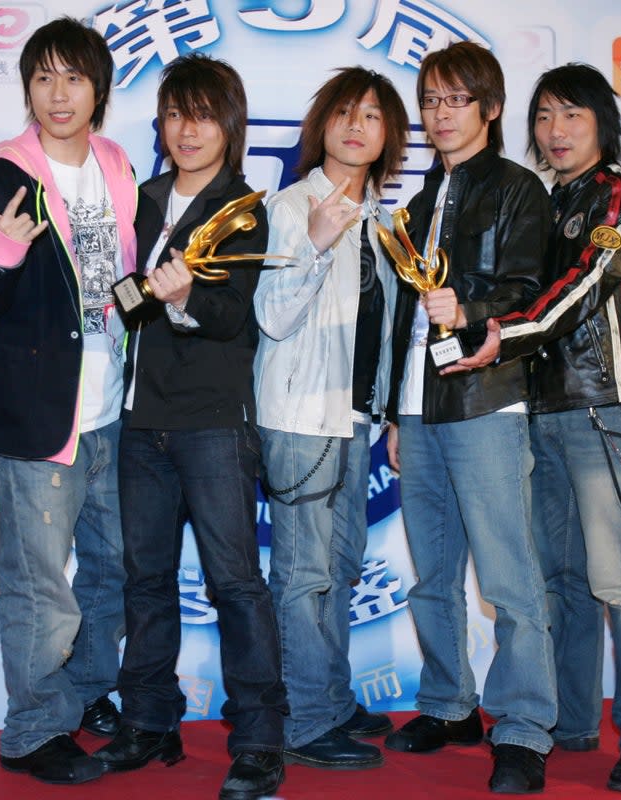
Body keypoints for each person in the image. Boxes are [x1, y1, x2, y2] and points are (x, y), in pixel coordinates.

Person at [445, 62, 621, 792]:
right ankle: (572, 722)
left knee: (620, 581)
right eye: (545, 117)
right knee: (558, 583)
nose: (556, 132)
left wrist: (497, 333)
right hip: (538, 411)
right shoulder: (540, 199)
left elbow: (582, 289)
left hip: (604, 407)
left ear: (600, 124)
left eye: (572, 116)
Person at [90, 53, 288, 800]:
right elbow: (123, 296)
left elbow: (232, 313)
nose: (187, 130)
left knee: (236, 583)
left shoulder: (243, 207)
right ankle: (148, 720)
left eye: (203, 116)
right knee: (145, 583)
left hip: (212, 423)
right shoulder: (140, 199)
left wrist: (180, 297)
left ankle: (261, 736)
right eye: (175, 115)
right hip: (140, 424)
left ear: (229, 127)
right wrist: (147, 292)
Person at [0, 16, 131, 785]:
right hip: (40, 420)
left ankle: (88, 695)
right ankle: (32, 729)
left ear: (99, 90)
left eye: (75, 78)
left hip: (117, 413)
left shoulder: (120, 168)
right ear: (27, 87)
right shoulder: (0, 182)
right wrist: (1, 253)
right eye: (44, 78)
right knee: (37, 586)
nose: (58, 95)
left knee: (110, 573)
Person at [380, 41, 558, 794]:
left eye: (457, 99)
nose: (441, 113)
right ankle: (450, 703)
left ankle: (522, 728)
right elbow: (402, 321)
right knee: (433, 575)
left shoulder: (519, 189)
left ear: (489, 108)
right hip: (419, 410)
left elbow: (532, 290)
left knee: (510, 579)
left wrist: (473, 306)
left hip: (487, 400)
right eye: (431, 100)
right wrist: (394, 411)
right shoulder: (418, 204)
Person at [253, 67, 408, 771]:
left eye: (372, 117)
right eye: (344, 112)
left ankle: (332, 696)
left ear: (388, 137)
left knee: (340, 566)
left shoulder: (382, 221)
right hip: (297, 415)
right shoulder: (289, 206)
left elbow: (386, 333)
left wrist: (391, 412)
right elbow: (271, 316)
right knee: (304, 572)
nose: (356, 126)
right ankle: (309, 720)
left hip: (354, 418)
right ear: (321, 125)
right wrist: (314, 242)